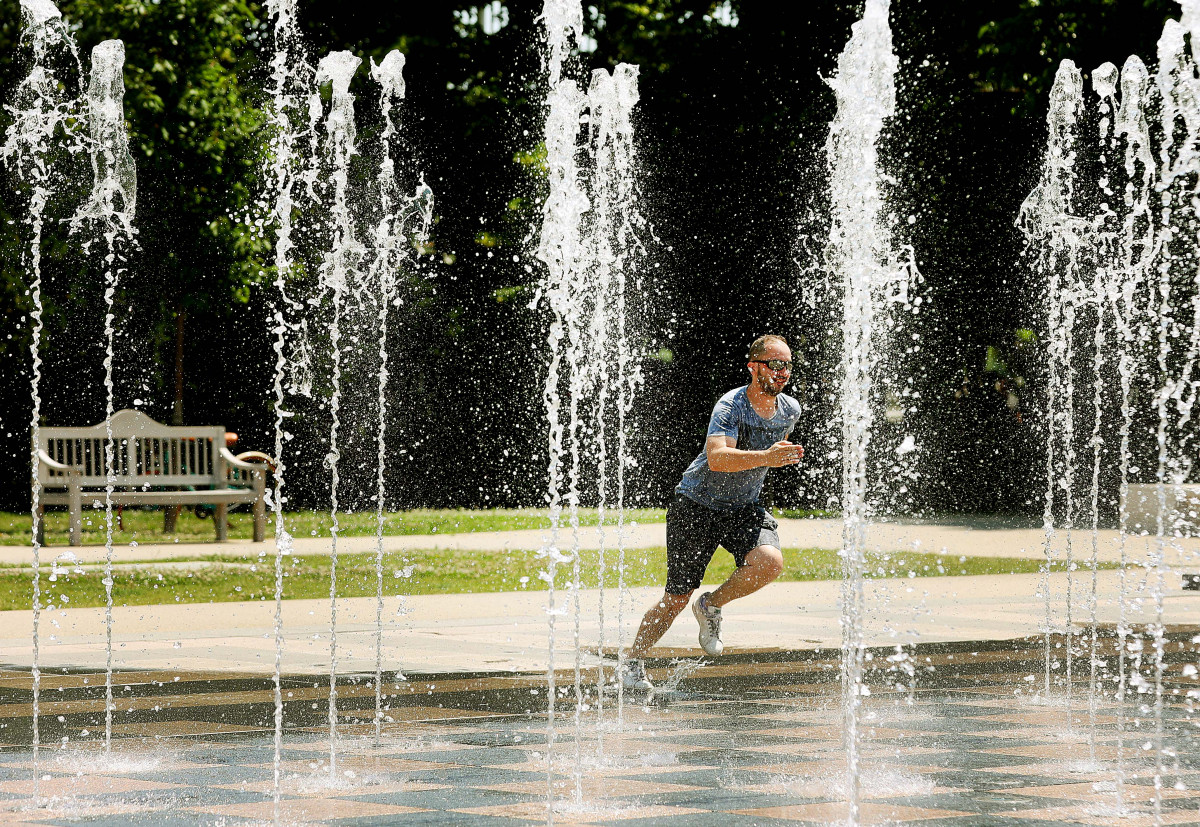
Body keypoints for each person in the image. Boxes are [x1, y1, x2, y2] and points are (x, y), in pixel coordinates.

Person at [621, 334, 803, 691]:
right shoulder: (730, 406)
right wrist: (767, 457)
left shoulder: (789, 410)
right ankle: (633, 662)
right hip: (696, 505)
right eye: (776, 364)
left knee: (770, 562)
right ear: (754, 366)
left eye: (788, 365)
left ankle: (711, 605)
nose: (783, 373)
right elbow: (718, 458)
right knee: (675, 598)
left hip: (742, 506)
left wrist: (770, 459)